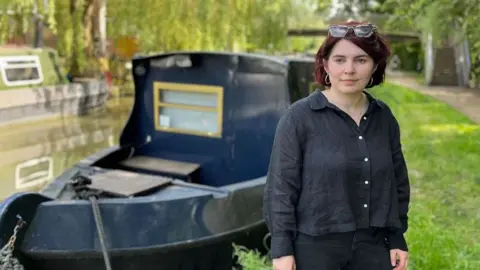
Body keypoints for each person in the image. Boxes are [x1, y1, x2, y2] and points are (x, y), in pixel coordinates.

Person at [263, 21, 410, 270]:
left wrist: (397, 236)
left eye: (360, 60)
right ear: (325, 64)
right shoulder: (299, 117)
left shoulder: (383, 117)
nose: (349, 70)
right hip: (314, 249)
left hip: (373, 248)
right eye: (340, 59)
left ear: (375, 65)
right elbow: (280, 188)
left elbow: (397, 182)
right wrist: (282, 249)